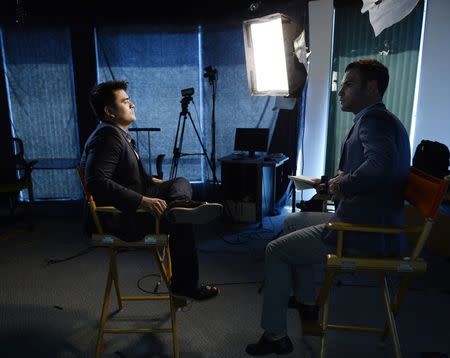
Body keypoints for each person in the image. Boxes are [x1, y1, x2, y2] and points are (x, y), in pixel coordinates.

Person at [246, 59, 411, 355]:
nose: (340, 91)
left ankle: (275, 336)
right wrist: (332, 182)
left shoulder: (374, 121)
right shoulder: (382, 120)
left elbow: (380, 167)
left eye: (348, 85)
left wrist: (341, 184)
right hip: (374, 221)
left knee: (275, 250)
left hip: (362, 231)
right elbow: (374, 168)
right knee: (292, 221)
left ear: (372, 88)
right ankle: (308, 302)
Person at [80, 80, 223, 301]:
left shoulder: (116, 134)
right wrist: (143, 201)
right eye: (125, 101)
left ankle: (178, 209)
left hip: (135, 206)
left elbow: (129, 177)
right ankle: (185, 281)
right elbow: (96, 182)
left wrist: (152, 181)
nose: (132, 104)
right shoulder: (107, 137)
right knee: (181, 221)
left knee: (181, 182)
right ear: (109, 111)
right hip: (125, 218)